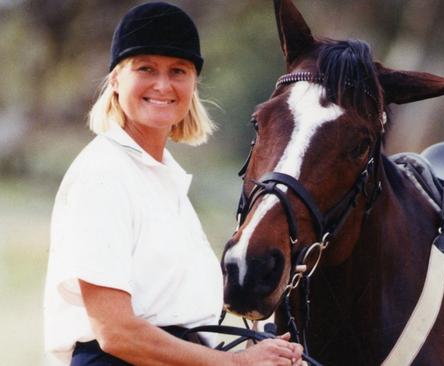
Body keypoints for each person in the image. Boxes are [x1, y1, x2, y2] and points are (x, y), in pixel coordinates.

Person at [43, 2, 303, 365]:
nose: (162, 85)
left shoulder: (163, 176)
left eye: (178, 70)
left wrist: (260, 351)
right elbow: (116, 332)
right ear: (116, 79)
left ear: (193, 83)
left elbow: (180, 316)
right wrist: (233, 364)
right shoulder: (103, 174)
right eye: (145, 68)